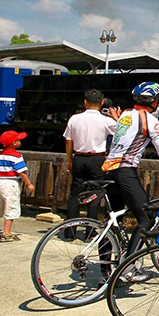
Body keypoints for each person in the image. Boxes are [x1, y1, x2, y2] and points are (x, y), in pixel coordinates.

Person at [102, 82, 159, 256]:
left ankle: (106, 271)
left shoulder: (126, 114)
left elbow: (141, 122)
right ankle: (126, 269)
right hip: (125, 170)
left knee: (113, 219)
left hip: (109, 169)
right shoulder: (150, 120)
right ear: (154, 101)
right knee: (146, 219)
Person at [64, 89, 118, 226]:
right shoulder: (105, 120)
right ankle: (91, 229)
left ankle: (70, 229)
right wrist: (116, 116)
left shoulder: (74, 118)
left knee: (75, 194)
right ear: (101, 103)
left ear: (85, 102)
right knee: (95, 194)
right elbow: (122, 133)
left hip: (79, 157)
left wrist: (70, 160)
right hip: (97, 159)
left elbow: (68, 141)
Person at [0, 130, 35, 242]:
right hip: (10, 183)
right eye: (18, 140)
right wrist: (29, 184)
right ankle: (6, 233)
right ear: (14, 143)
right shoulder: (17, 156)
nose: (20, 141)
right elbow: (22, 172)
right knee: (10, 207)